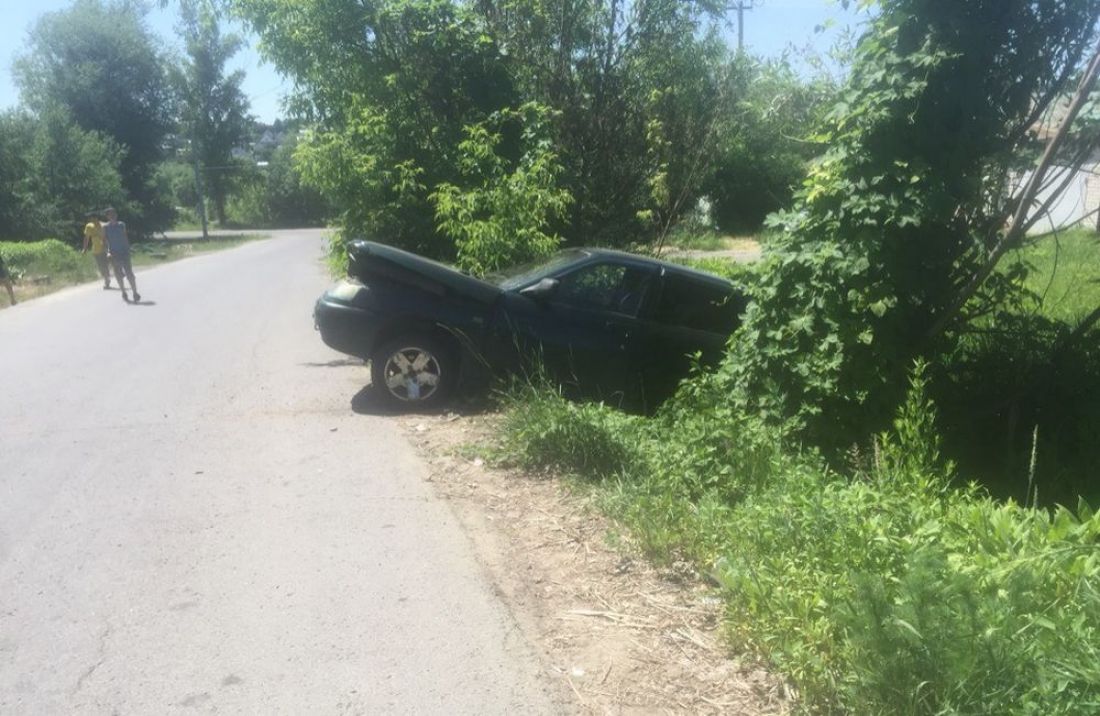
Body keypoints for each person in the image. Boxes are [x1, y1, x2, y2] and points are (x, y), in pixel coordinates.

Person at [103, 208, 140, 303]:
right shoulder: (105, 227)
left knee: (129, 273)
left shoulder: (121, 225)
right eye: (110, 214)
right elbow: (105, 241)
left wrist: (129, 248)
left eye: (114, 214)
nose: (112, 216)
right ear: (107, 216)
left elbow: (125, 237)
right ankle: (123, 291)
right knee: (118, 274)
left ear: (116, 215)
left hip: (124, 252)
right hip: (114, 253)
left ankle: (135, 292)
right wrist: (107, 252)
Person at [81, 211, 112, 289]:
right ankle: (106, 277)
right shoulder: (89, 226)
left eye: (91, 218)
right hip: (96, 250)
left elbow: (109, 237)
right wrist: (84, 249)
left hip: (105, 249)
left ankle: (107, 280)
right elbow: (86, 238)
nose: (90, 220)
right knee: (101, 266)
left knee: (105, 264)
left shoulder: (104, 225)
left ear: (96, 218)